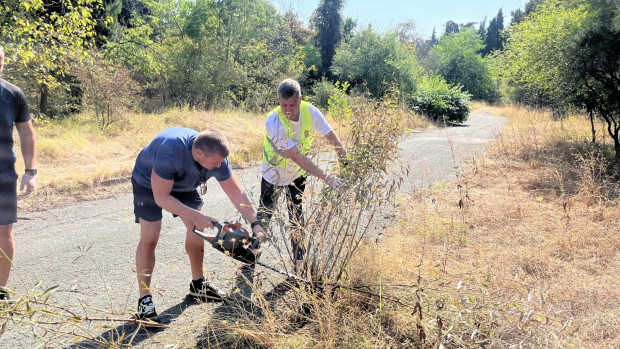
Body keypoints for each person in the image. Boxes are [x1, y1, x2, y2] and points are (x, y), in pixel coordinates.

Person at [132, 127, 265, 321]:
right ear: (200, 153)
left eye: (222, 161)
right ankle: (144, 303)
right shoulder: (169, 150)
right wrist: (194, 215)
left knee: (198, 229)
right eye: (216, 162)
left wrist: (255, 222)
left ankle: (199, 286)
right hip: (148, 183)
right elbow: (161, 197)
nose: (220, 165)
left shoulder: (216, 155)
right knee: (150, 238)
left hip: (183, 184)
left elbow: (236, 193)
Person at [258, 78, 347, 272]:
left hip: (297, 174)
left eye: (292, 104)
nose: (288, 109)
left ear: (300, 98)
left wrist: (345, 160)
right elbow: (296, 156)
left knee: (297, 217)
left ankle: (299, 264)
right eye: (284, 105)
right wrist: (327, 177)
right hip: (273, 174)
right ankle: (253, 254)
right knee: (265, 214)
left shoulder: (310, 111)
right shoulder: (273, 121)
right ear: (279, 101)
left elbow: (331, 135)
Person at [0, 46, 37, 303]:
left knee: (4, 233)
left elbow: (27, 134)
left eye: (0, 60)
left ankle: (0, 291)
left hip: (3, 175)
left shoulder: (13, 93)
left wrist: (30, 171)